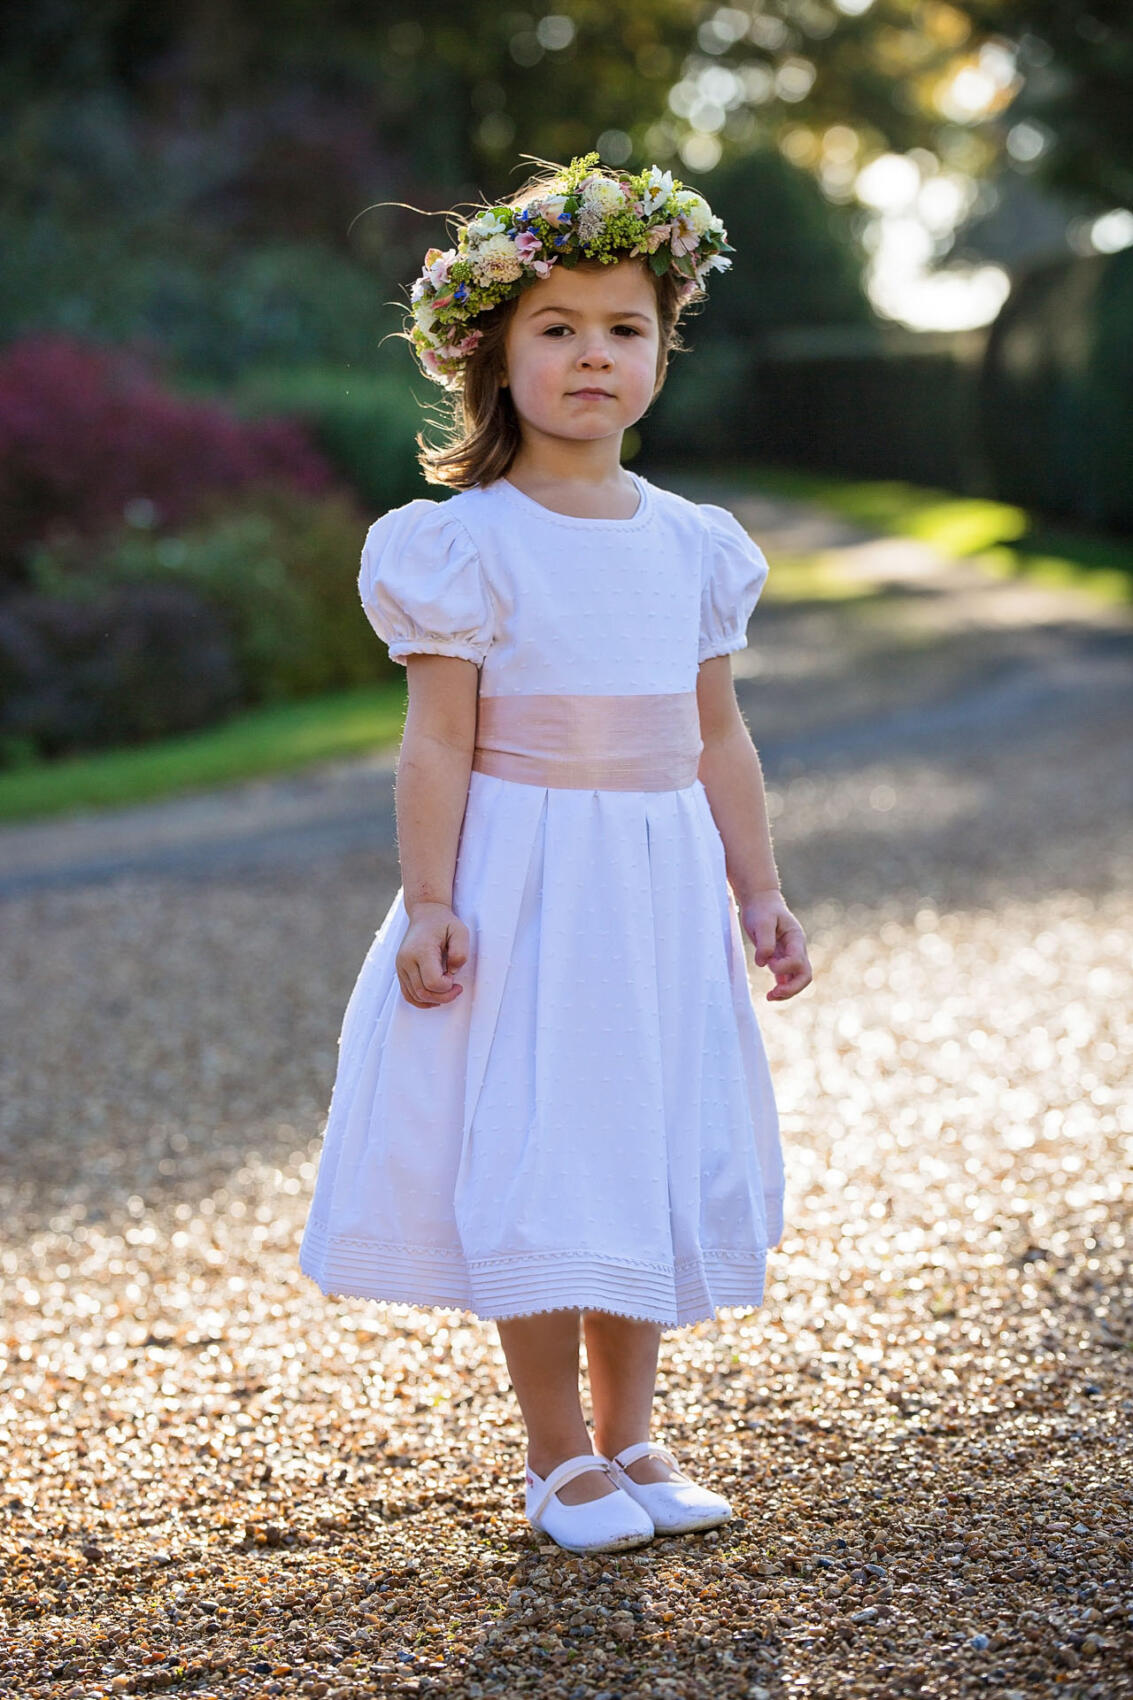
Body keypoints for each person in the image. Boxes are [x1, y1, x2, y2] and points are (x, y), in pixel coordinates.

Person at [299, 151, 812, 1556]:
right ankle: (554, 1455)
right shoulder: (464, 545)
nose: (594, 354)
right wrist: (427, 901)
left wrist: (755, 887)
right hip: (527, 886)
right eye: (557, 328)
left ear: (662, 347)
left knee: (636, 1140)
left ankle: (635, 1434)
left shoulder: (693, 545)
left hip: (653, 892)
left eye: (623, 327)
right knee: (542, 1147)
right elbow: (436, 747)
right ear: (493, 352)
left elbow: (717, 739)